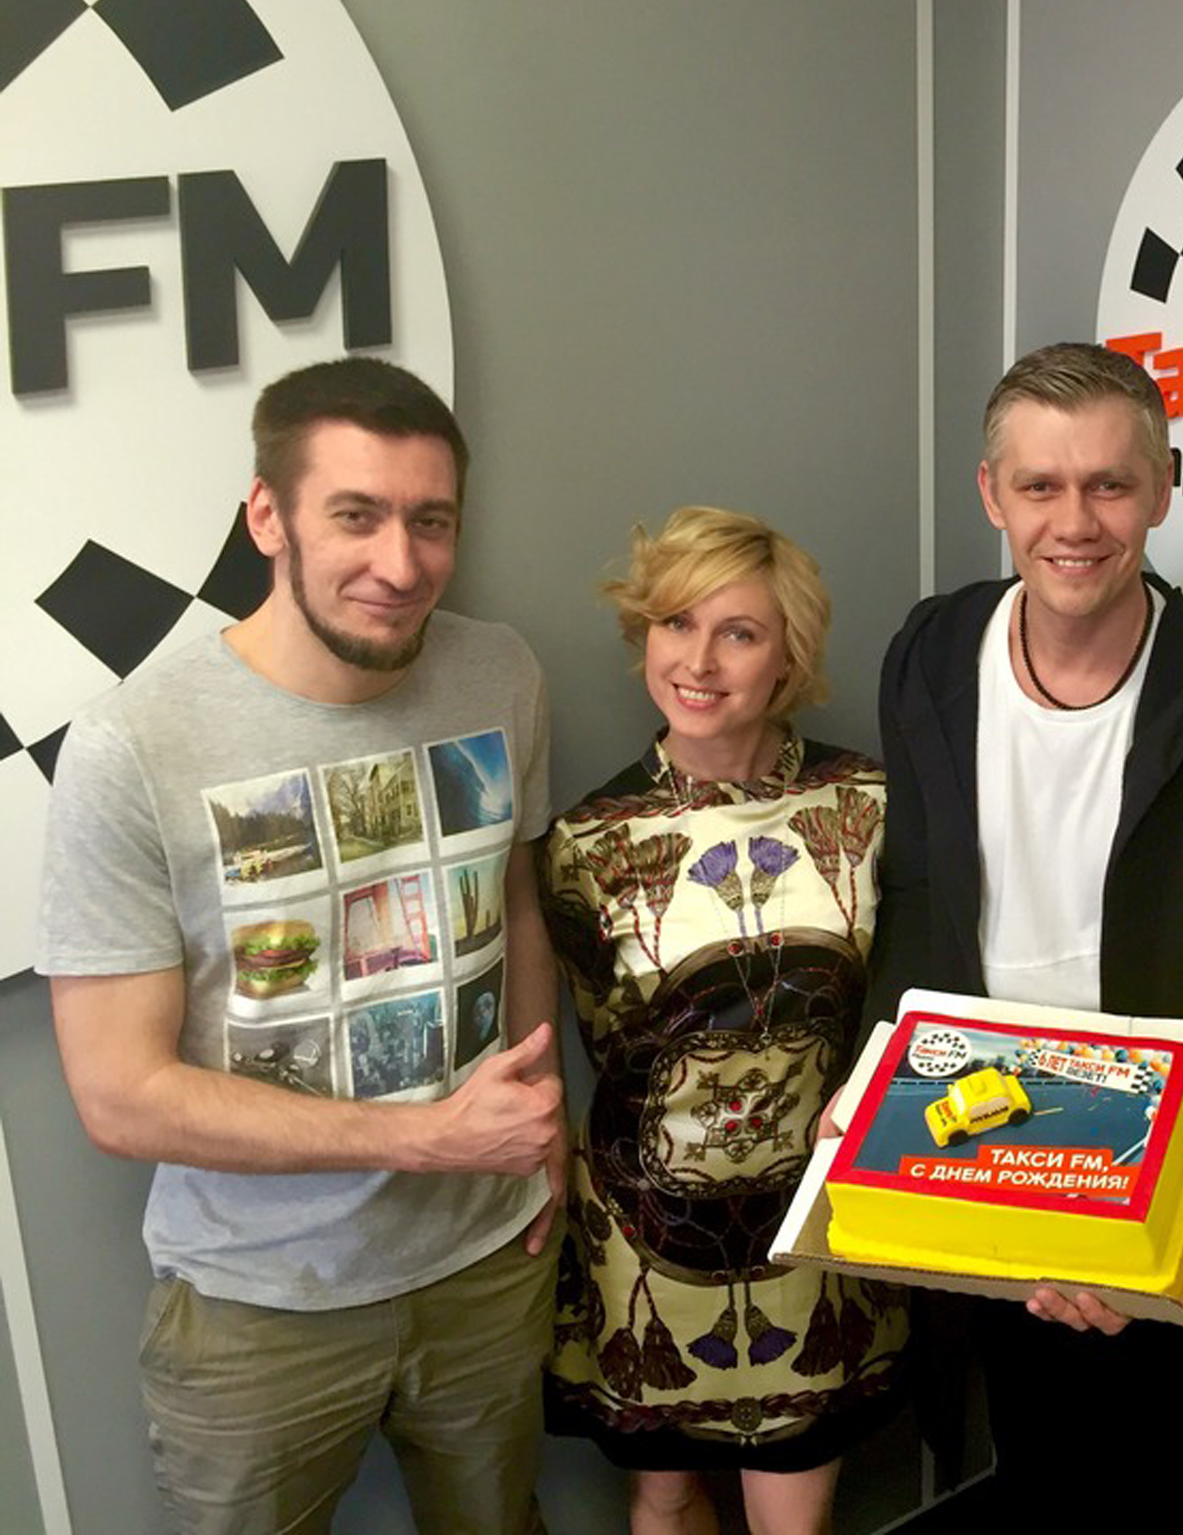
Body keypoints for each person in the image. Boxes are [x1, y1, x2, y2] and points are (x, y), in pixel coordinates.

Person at [37, 357, 565, 1533]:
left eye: (431, 521)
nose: (401, 564)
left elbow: (517, 906)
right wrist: (428, 1138)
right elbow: (120, 1096)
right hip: (257, 1310)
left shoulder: (501, 673)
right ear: (267, 516)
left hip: (486, 1264)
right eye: (356, 516)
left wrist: (545, 1126)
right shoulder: (134, 746)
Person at [866, 341, 1183, 1529]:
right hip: (990, 1152)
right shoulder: (929, 659)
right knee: (1040, 1480)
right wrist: (871, 1089)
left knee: (1177, 1495)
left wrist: (1138, 1239)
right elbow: (914, 897)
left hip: (1164, 1171)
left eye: (1110, 484)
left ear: (1161, 490)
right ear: (992, 494)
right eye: (1041, 486)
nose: (1075, 522)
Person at [540, 507, 906, 1535]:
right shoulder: (583, 842)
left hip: (816, 1226)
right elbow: (598, 1047)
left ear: (788, 654)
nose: (698, 662)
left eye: (738, 632)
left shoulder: (871, 807)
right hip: (647, 1239)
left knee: (796, 1512)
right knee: (664, 1494)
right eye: (675, 623)